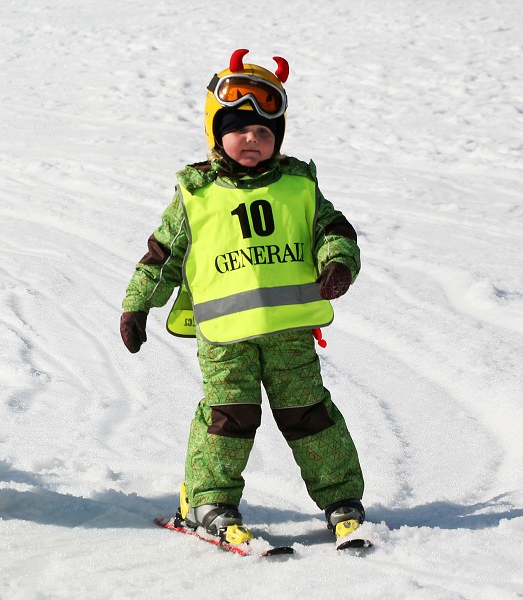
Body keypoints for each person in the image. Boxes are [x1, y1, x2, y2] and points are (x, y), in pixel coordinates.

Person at [120, 49, 367, 547]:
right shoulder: (197, 193)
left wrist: (338, 263)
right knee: (229, 418)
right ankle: (209, 502)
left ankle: (341, 498)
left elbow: (334, 231)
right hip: (225, 338)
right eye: (239, 129)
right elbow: (161, 255)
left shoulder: (298, 185)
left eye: (264, 132)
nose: (252, 140)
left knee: (310, 415)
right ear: (216, 133)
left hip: (289, 333)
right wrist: (138, 304)